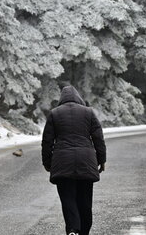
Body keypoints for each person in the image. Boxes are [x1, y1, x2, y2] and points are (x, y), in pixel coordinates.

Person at [41, 85, 107, 235]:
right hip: (86, 161)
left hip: (62, 163)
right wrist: (102, 159)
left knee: (68, 199)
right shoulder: (89, 113)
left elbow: (47, 141)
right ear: (79, 98)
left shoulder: (54, 114)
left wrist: (47, 163)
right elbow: (98, 138)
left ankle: (72, 229)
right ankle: (83, 231)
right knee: (85, 202)